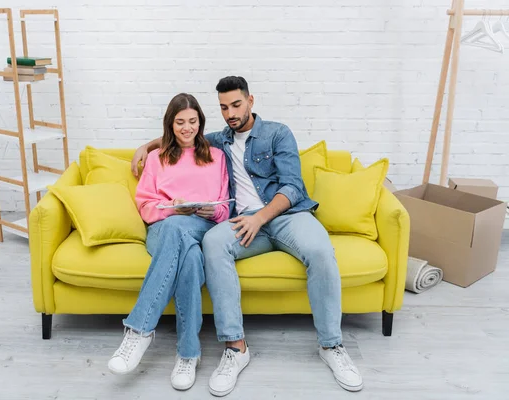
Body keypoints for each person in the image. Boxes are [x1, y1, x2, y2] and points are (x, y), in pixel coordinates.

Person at [130, 77, 363, 396]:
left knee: (321, 251)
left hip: (286, 217)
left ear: (251, 101)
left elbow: (294, 187)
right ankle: (235, 347)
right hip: (243, 221)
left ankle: (331, 346)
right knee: (213, 243)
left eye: (236, 105)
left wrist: (261, 218)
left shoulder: (277, 133)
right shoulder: (219, 140)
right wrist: (147, 146)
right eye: (224, 107)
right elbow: (182, 133)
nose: (231, 113)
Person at [107, 93, 230, 391]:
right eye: (180, 122)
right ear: (170, 124)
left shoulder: (217, 157)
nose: (187, 128)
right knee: (187, 256)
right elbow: (146, 207)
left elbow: (226, 209)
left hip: (202, 225)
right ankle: (189, 354)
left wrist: (211, 209)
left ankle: (139, 331)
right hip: (164, 229)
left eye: (192, 121)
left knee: (182, 231)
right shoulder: (156, 158)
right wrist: (174, 208)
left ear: (200, 122)